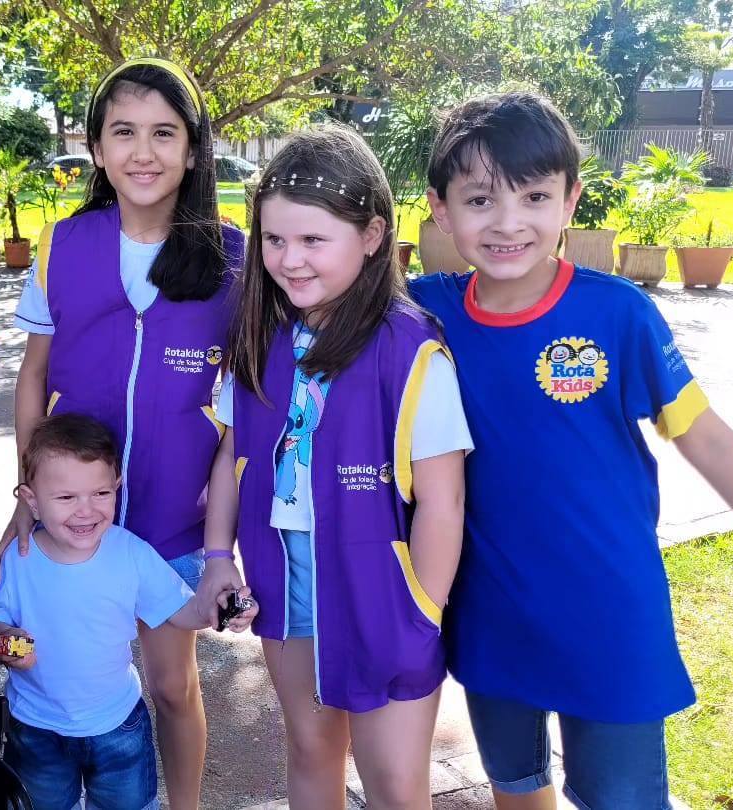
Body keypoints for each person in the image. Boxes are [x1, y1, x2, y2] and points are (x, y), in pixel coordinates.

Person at [410, 91, 733, 809]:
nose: (507, 222)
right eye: (479, 200)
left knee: (620, 799)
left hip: (609, 614)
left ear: (571, 199)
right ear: (440, 210)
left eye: (535, 196)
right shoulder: (424, 314)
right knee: (515, 786)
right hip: (488, 615)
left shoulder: (616, 313)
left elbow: (710, 442)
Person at [0, 56, 245, 809]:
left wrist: (219, 550)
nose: (144, 152)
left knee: (172, 686)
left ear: (194, 150)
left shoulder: (234, 259)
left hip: (174, 516)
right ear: (97, 148)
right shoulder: (62, 245)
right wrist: (28, 498)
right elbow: (33, 376)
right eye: (124, 131)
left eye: (165, 133)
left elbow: (242, 414)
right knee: (62, 671)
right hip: (70, 512)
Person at [202, 126, 470, 809]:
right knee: (310, 750)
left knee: (395, 785)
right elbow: (232, 453)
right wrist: (218, 557)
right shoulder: (260, 335)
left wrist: (422, 611)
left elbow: (443, 501)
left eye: (313, 240)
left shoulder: (411, 350)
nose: (289, 260)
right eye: (273, 239)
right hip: (285, 577)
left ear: (373, 235)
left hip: (383, 587)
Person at [0, 413, 257, 810]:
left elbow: (181, 611)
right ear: (31, 501)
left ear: (117, 487)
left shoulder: (130, 553)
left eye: (100, 493)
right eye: (66, 498)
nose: (86, 511)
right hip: (36, 729)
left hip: (118, 726)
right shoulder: (17, 559)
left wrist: (219, 608)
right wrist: (8, 639)